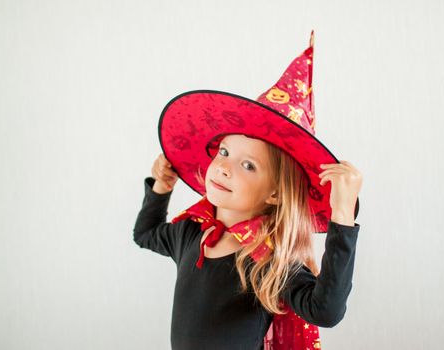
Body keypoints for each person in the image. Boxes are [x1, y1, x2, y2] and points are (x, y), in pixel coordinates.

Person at [133, 30, 363, 349]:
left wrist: (342, 217)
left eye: (249, 165)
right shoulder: (190, 234)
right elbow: (144, 234)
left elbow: (325, 310)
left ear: (274, 194)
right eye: (225, 152)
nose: (225, 166)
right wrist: (161, 187)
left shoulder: (268, 261)